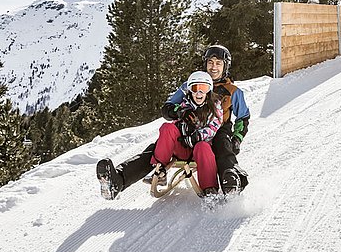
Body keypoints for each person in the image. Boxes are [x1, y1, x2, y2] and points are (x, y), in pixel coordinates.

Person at [96, 44, 252, 199]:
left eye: (218, 63)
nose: (214, 67)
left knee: (223, 146)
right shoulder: (190, 85)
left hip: (217, 131)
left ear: (225, 66)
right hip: (187, 130)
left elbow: (243, 117)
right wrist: (176, 111)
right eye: (210, 62)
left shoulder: (233, 91)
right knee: (156, 148)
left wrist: (237, 138)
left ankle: (231, 179)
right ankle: (118, 180)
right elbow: (169, 106)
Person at [97, 71, 223, 199]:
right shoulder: (185, 103)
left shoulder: (215, 106)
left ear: (209, 90)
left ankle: (210, 191)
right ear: (189, 89)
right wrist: (179, 113)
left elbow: (215, 126)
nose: (199, 93)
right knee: (166, 129)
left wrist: (197, 137)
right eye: (195, 88)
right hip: (182, 146)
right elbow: (168, 110)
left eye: (204, 89)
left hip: (200, 149)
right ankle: (159, 169)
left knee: (204, 147)